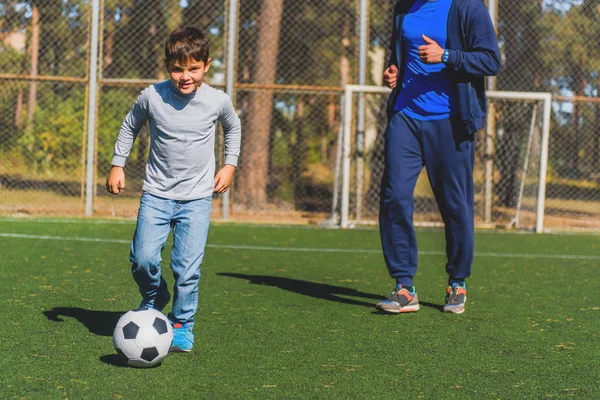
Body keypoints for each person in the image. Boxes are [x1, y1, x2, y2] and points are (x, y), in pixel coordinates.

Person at [106, 26, 241, 351]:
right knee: (142, 259)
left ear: (206, 65)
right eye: (178, 68)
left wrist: (229, 164)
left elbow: (233, 127)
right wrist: (117, 163)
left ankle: (182, 323)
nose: (185, 76)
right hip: (156, 194)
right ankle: (154, 296)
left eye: (193, 68)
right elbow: (129, 126)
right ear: (168, 65)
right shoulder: (151, 96)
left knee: (186, 269)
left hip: (196, 199)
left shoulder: (217, 100)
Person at [375, 0, 500, 314]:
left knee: (455, 205)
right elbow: (398, 54)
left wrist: (446, 56)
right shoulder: (404, 6)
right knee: (394, 196)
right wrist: (393, 71)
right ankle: (404, 287)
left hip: (450, 120)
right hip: (406, 116)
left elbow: (490, 61)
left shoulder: (468, 7)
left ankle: (457, 281)